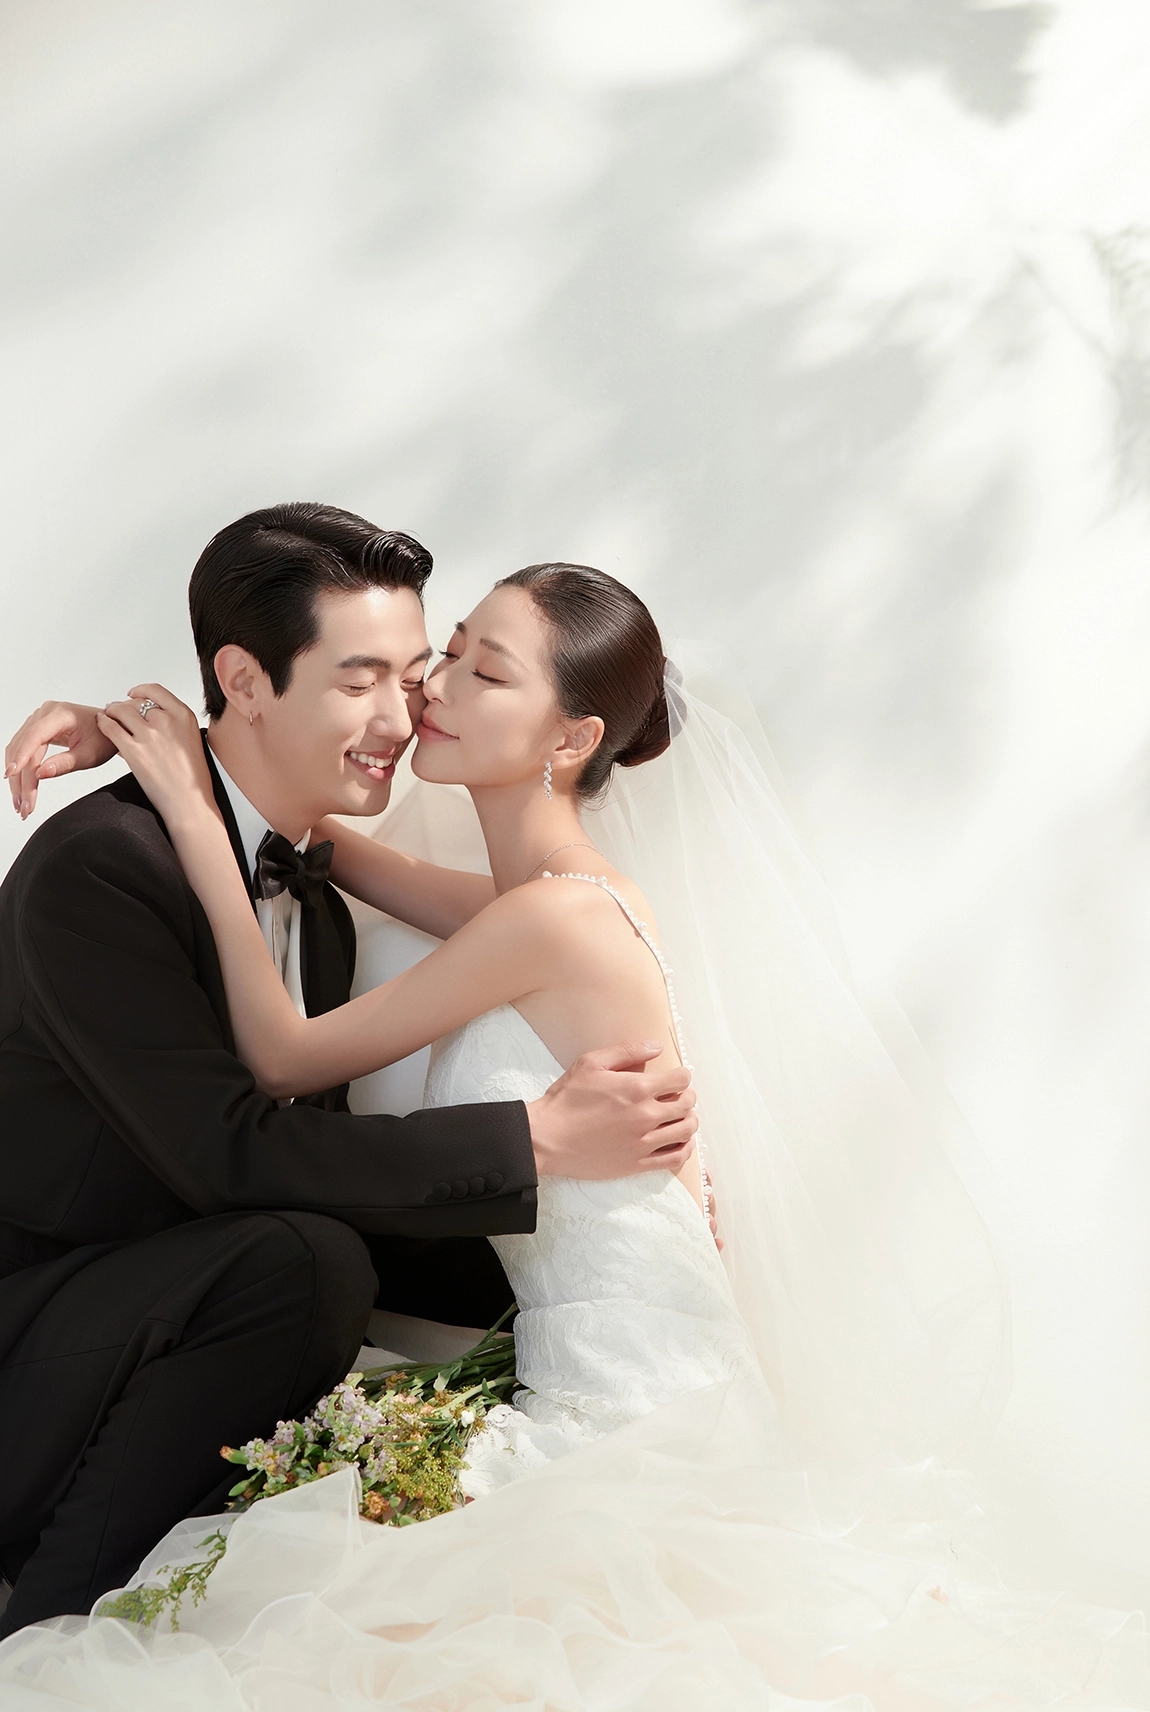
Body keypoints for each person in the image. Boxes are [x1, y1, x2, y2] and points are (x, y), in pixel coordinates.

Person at [0, 557, 1150, 1712]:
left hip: (620, 1366)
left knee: (512, 1663)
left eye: (472, 669)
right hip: (623, 1332)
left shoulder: (549, 916)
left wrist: (200, 824)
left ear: (572, 738)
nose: (427, 693)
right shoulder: (542, 903)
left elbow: (284, 1058)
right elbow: (313, 840)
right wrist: (165, 746)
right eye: (433, 659)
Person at [0, 507, 697, 1638]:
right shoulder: (103, 871)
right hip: (39, 1346)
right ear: (245, 679)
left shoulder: (319, 895)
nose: (405, 714)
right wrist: (536, 1143)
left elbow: (314, 1149)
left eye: (416, 675)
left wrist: (636, 1237)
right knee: (300, 1260)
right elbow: (233, 1157)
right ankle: (48, 1636)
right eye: (360, 679)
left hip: (182, 1328)